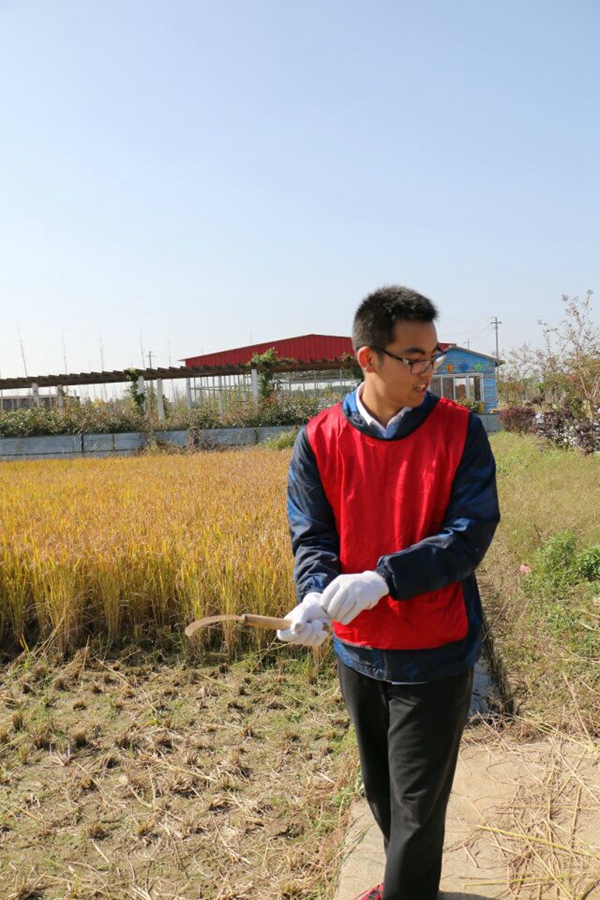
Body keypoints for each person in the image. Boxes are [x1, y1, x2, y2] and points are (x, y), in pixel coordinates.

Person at [277, 285, 500, 900]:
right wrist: (315, 597)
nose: (428, 370)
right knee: (381, 792)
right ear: (367, 359)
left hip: (434, 649)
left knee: (418, 806)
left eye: (433, 355)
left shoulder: (460, 432)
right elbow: (313, 533)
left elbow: (469, 533)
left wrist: (384, 578)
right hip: (358, 651)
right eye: (413, 357)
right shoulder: (319, 437)